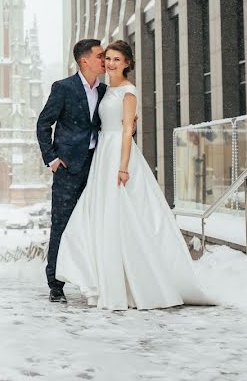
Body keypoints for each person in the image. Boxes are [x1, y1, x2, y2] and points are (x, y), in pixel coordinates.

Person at [56, 40, 210, 310]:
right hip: (103, 153)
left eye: (116, 59)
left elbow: (127, 130)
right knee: (98, 215)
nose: (110, 63)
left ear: (127, 63)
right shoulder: (106, 89)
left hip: (118, 153)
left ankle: (134, 282)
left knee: (123, 216)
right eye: (108, 58)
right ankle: (102, 278)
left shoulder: (128, 91)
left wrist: (124, 166)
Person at [36, 39, 106, 303]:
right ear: (84, 60)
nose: (104, 60)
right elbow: (43, 124)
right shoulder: (63, 88)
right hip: (68, 169)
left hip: (97, 167)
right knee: (62, 225)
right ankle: (55, 283)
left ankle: (94, 278)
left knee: (95, 224)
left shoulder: (106, 92)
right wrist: (52, 159)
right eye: (100, 55)